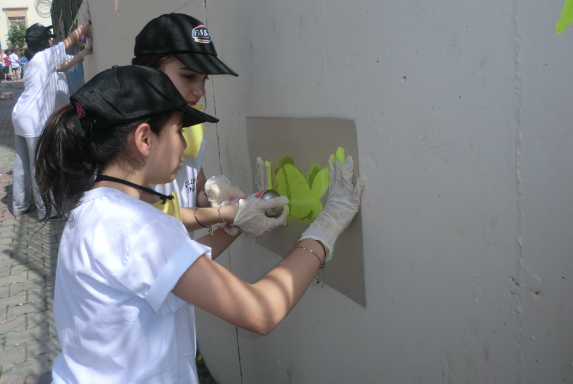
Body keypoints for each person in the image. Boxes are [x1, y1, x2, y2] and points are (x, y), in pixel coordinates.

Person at [34, 65, 362, 383]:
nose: (184, 143)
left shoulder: (94, 210)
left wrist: (234, 226)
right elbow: (260, 311)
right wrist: (324, 230)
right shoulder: (139, 227)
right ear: (145, 138)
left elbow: (169, 271)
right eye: (179, 130)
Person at [132, 13, 244, 233]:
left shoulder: (190, 121)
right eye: (188, 76)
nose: (200, 91)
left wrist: (211, 194)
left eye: (204, 79)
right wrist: (227, 215)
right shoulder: (132, 136)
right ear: (149, 72)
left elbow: (194, 186)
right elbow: (155, 216)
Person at [11, 21, 92, 220]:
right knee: (39, 166)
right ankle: (47, 210)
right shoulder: (45, 56)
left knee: (22, 163)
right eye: (50, 37)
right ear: (46, 41)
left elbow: (63, 66)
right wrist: (86, 22)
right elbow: (70, 40)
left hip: (21, 116)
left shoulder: (36, 60)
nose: (52, 39)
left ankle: (20, 205)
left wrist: (84, 53)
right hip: (33, 120)